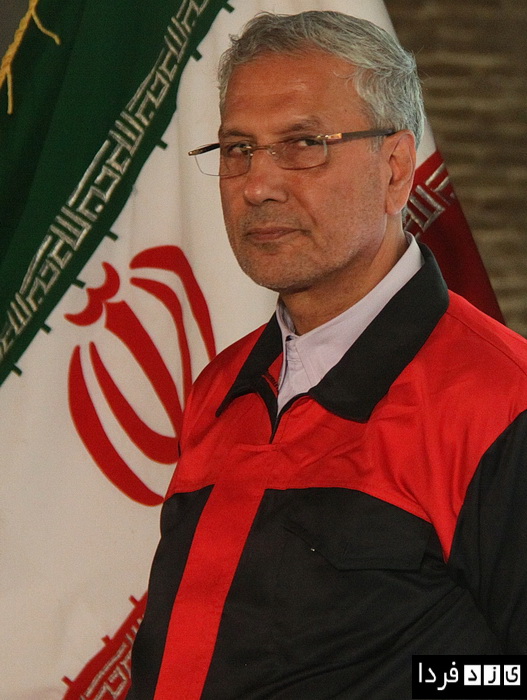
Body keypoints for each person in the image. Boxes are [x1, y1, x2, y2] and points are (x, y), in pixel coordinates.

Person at [127, 11, 527, 699]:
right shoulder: (221, 387)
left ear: (395, 169)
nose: (257, 184)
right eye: (238, 148)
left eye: (303, 144)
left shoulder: (500, 402)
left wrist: (410, 683)